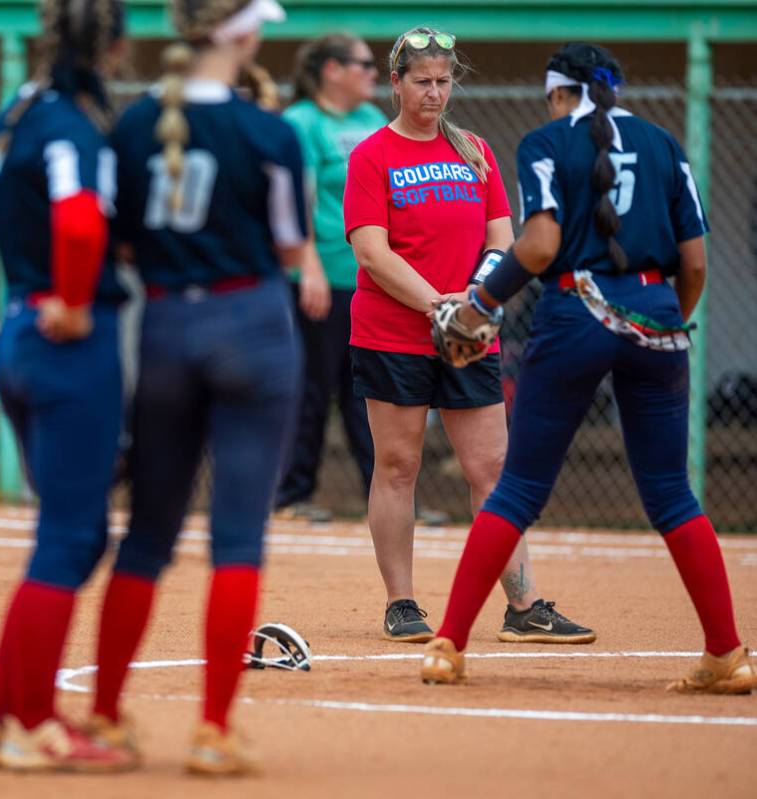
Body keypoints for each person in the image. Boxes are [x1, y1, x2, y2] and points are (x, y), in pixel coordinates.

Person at [422, 42, 755, 694]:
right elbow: (694, 267)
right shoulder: (662, 142)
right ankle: (726, 653)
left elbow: (540, 245)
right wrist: (655, 317)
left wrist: (480, 302)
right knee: (670, 494)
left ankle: (447, 646)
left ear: (556, 94)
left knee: (517, 488)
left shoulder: (546, 141)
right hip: (659, 315)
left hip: (574, 311)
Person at [89, 0, 307, 776]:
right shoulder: (269, 132)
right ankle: (213, 730)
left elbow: (116, 238)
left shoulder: (136, 125)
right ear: (242, 34)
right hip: (251, 322)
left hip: (166, 329)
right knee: (237, 539)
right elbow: (288, 242)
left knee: (147, 536)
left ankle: (106, 718)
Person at [344, 27, 594, 644]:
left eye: (443, 81)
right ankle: (401, 602)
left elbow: (502, 241)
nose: (433, 93)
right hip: (394, 332)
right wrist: (439, 305)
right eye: (421, 81)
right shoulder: (372, 154)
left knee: (493, 467)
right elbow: (372, 253)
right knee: (399, 464)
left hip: (467, 332)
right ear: (396, 83)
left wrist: (475, 301)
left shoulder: (474, 150)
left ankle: (524, 604)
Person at [0, 0, 134, 773]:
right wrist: (71, 297)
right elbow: (78, 223)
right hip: (64, 339)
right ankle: (30, 722)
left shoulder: (19, 111)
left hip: (22, 335)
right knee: (68, 537)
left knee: (70, 534)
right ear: (112, 45)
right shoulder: (67, 121)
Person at [275, 32, 385, 522]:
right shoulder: (301, 122)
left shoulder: (374, 121)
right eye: (363, 63)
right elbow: (294, 201)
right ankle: (293, 495)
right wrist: (310, 269)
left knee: (372, 393)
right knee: (313, 388)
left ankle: (386, 497)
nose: (374, 73)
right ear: (331, 70)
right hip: (321, 278)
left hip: (372, 279)